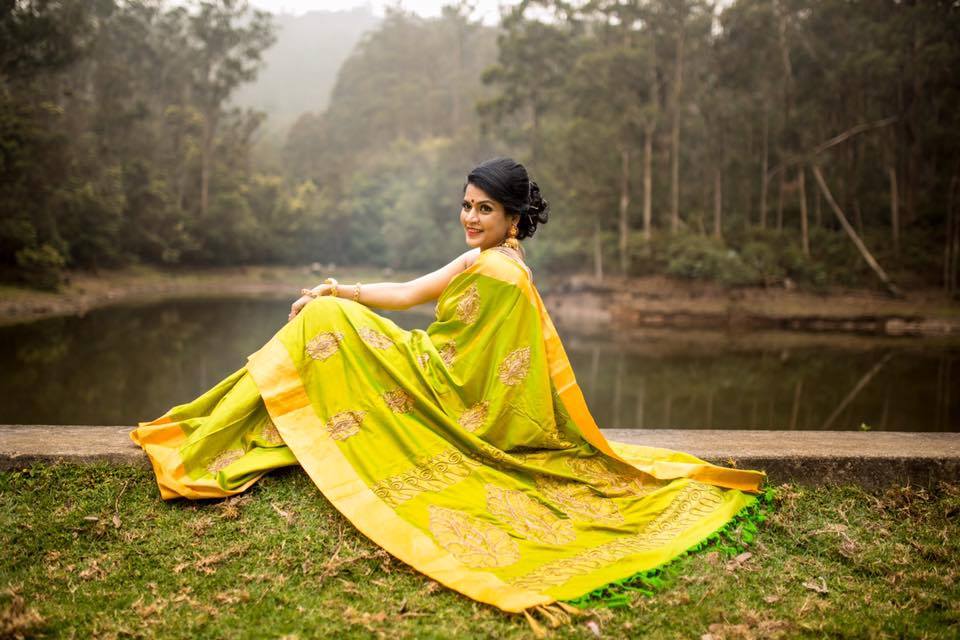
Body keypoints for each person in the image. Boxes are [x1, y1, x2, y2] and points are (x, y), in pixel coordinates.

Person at [131, 157, 769, 629]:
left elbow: (486, 365)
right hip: (432, 368)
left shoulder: (504, 273)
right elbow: (409, 293)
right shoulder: (481, 260)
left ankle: (212, 433)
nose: (470, 217)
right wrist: (338, 288)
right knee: (323, 314)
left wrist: (334, 304)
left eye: (484, 209)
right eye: (466, 205)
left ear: (513, 218)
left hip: (448, 391)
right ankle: (223, 425)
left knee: (322, 324)